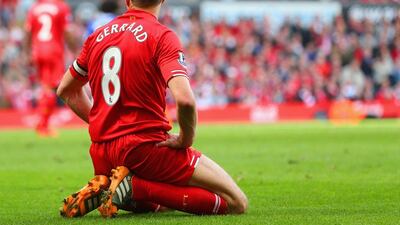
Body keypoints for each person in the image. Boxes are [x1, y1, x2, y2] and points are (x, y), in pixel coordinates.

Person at [57, 0, 248, 218]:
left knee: (165, 199)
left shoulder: (97, 36)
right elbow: (185, 100)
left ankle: (109, 186)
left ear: (127, 1)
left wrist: (103, 123)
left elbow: (66, 90)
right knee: (236, 202)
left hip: (103, 153)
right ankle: (135, 187)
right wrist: (186, 139)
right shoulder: (162, 36)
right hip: (145, 149)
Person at [25, 0, 76, 136]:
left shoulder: (35, 7)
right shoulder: (61, 6)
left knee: (45, 85)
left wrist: (27, 52)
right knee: (50, 87)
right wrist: (75, 49)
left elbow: (28, 32)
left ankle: (43, 122)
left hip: (38, 51)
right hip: (53, 51)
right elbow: (67, 30)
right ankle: (43, 125)